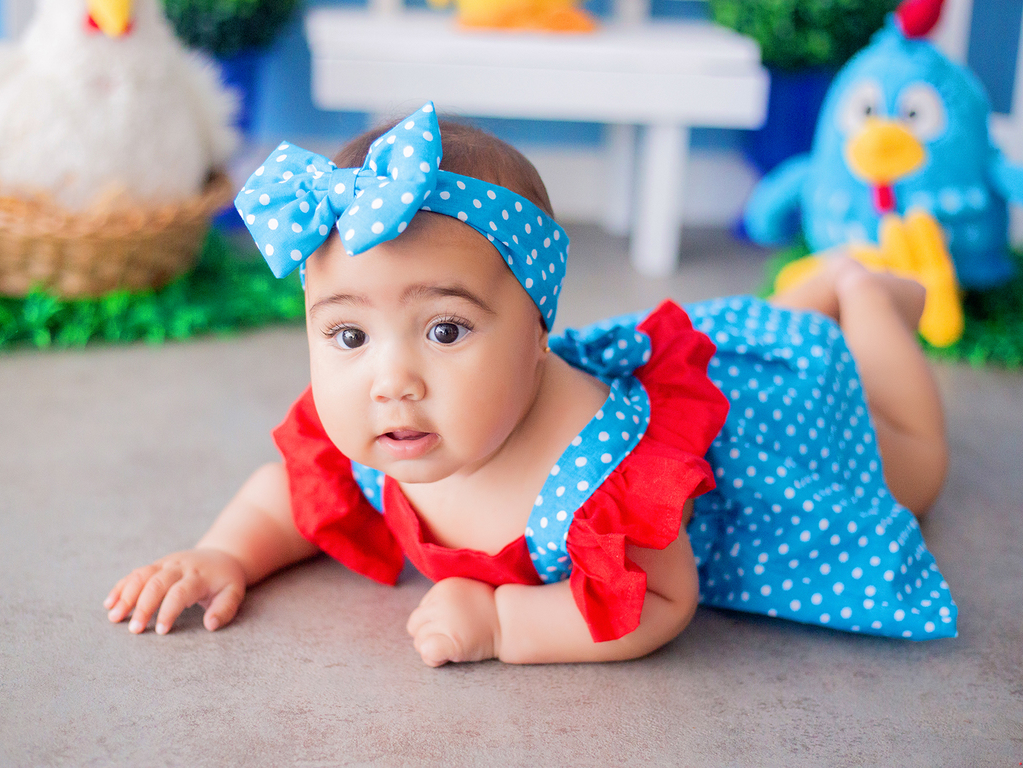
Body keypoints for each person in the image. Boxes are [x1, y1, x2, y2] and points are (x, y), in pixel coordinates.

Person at [104, 104, 957, 666]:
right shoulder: (382, 428)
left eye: (445, 330)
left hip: (771, 430)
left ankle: (863, 293)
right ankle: (810, 294)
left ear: (537, 335)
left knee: (913, 469)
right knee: (771, 328)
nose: (391, 380)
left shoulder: (604, 466)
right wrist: (223, 553)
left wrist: (504, 624)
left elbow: (662, 599)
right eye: (349, 336)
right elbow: (288, 496)